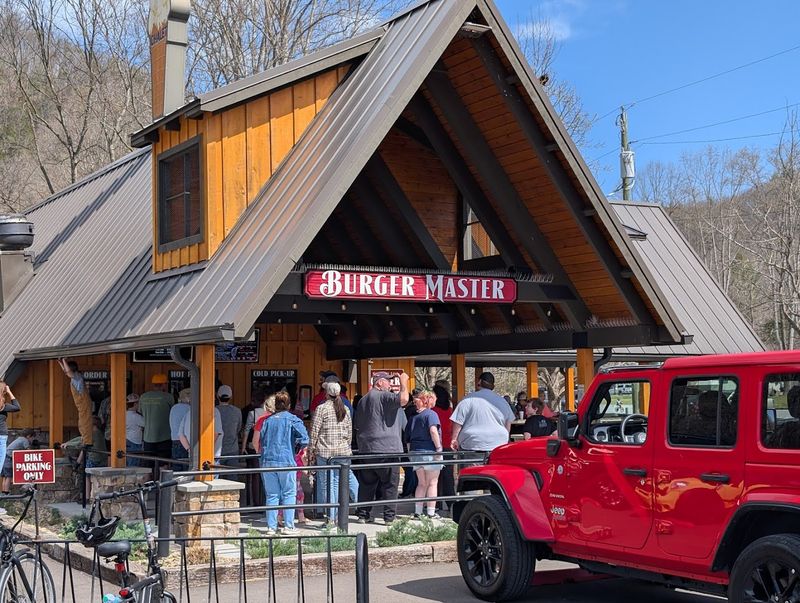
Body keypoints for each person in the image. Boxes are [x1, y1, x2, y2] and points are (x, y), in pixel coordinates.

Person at [352, 370, 410, 524]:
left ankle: (363, 514)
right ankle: (389, 518)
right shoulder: (384, 396)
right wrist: (404, 382)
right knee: (390, 485)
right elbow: (404, 399)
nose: (391, 384)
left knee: (366, 485)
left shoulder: (363, 400)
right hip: (387, 448)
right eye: (388, 381)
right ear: (379, 382)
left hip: (366, 449)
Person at [256, 391, 309, 535]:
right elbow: (305, 438)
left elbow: (262, 441)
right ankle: (288, 526)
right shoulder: (292, 419)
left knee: (272, 495)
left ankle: (271, 527)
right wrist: (296, 445)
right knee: (289, 493)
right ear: (288, 405)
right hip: (286, 460)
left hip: (267, 461)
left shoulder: (267, 421)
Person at [309, 381, 356, 525]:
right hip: (343, 452)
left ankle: (331, 518)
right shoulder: (345, 409)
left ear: (326, 393)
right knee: (341, 483)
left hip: (325, 452)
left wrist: (311, 450)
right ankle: (343, 514)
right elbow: (349, 432)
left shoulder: (321, 409)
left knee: (328, 485)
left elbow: (314, 432)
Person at [450, 372, 514, 459]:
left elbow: (458, 421)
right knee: (493, 471)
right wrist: (505, 438)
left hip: (472, 442)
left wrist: (454, 439)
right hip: (498, 443)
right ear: (493, 385)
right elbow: (508, 423)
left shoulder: (468, 399)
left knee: (473, 472)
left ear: (479, 382)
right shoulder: (503, 401)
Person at [405, 390, 443, 520]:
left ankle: (418, 512)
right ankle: (431, 513)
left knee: (421, 483)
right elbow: (433, 431)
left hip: (416, 451)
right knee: (433, 483)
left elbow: (408, 439)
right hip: (430, 451)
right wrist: (439, 448)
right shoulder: (431, 415)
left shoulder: (413, 417)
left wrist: (410, 453)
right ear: (429, 400)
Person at [139, 374, 174, 462]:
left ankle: (149, 476)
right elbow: (173, 412)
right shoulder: (168, 397)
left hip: (148, 437)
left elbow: (140, 412)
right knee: (164, 464)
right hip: (165, 436)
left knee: (148, 465)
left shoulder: (143, 397)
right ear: (163, 384)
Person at [58, 359, 93, 445]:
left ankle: (87, 442)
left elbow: (68, 372)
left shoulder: (77, 377)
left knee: (85, 422)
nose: (66, 372)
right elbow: (66, 371)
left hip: (84, 403)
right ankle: (85, 440)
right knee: (81, 423)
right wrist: (60, 362)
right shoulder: (75, 377)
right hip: (81, 405)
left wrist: (63, 360)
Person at [431, 383, 454, 512]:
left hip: (436, 446)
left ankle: (436, 504)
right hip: (448, 445)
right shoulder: (449, 411)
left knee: (435, 478)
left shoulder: (433, 412)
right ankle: (451, 503)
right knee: (448, 477)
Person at [1, 429, 36, 493]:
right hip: (9, 459)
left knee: (4, 477)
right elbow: (29, 451)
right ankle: (6, 492)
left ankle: (3, 492)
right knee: (9, 476)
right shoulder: (25, 440)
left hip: (4, 457)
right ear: (29, 436)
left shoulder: (19, 439)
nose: (32, 440)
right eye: (32, 438)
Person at [216, 385, 242, 466]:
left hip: (216, 449)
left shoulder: (213, 411)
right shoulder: (237, 411)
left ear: (217, 396)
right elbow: (239, 428)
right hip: (233, 449)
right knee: (232, 476)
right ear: (230, 397)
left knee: (215, 476)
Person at [169, 388, 192, 461]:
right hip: (186, 441)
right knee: (185, 465)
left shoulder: (174, 408)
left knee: (177, 465)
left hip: (174, 439)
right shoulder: (189, 409)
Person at [125, 394, 145, 467]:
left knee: (127, 462)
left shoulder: (123, 414)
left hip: (126, 439)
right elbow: (145, 424)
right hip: (135, 442)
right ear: (135, 404)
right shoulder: (136, 416)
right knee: (134, 464)